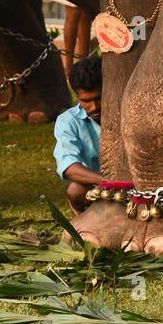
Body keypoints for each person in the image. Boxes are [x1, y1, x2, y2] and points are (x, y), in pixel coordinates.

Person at [54, 56, 102, 212]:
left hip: (134, 185)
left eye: (99, 98)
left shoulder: (129, 111)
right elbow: (69, 166)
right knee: (76, 191)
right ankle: (84, 221)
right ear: (77, 96)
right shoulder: (67, 121)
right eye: (86, 100)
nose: (94, 107)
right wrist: (108, 182)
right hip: (98, 187)